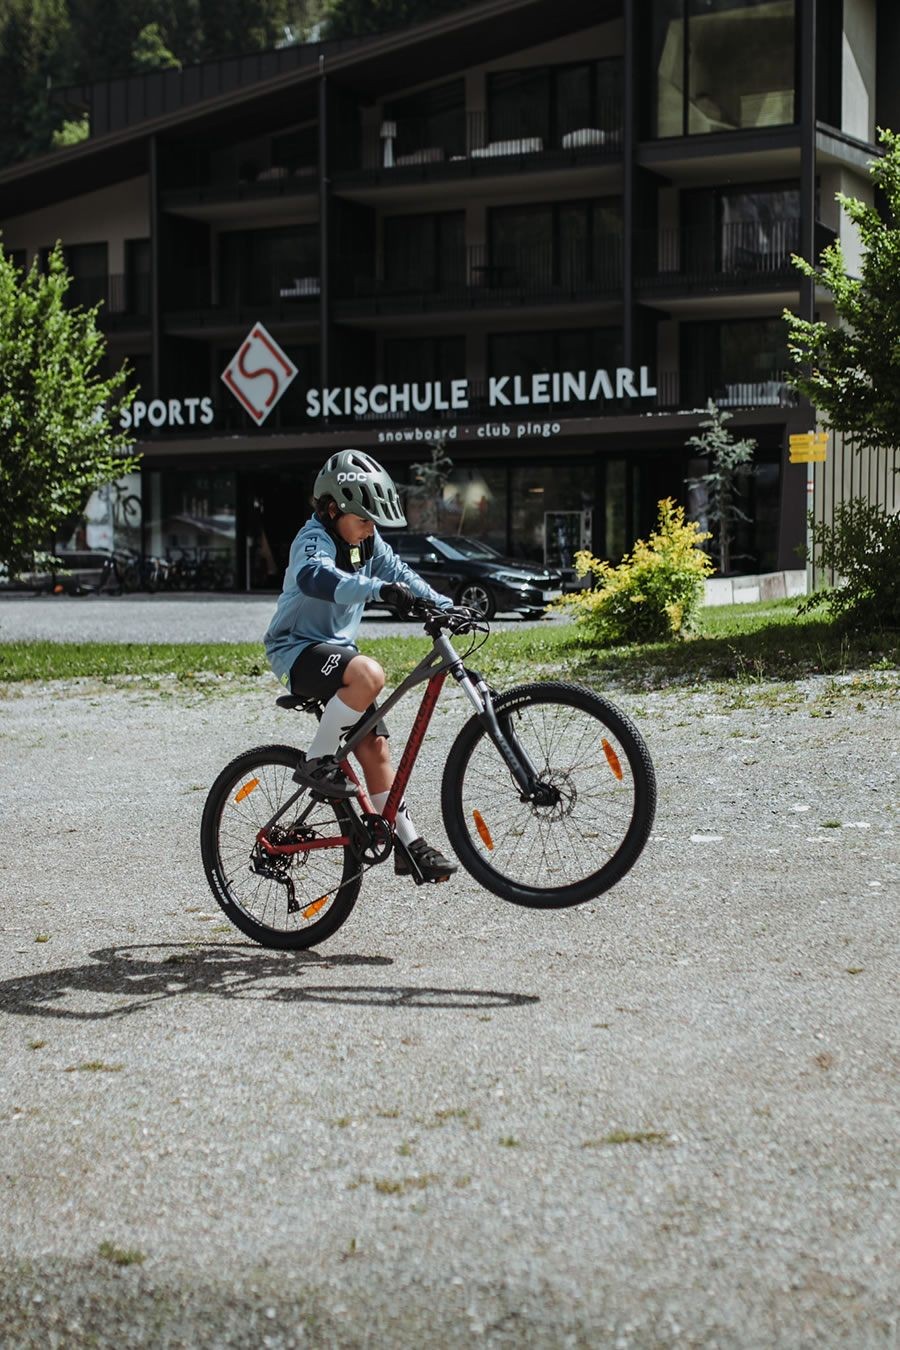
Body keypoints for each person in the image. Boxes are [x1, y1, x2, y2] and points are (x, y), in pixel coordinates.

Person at [264, 449, 459, 883]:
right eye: (363, 519)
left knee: (375, 749)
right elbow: (316, 578)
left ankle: (408, 844)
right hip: (296, 651)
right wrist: (377, 589)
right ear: (332, 509)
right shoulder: (312, 539)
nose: (370, 529)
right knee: (369, 673)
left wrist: (444, 605)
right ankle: (316, 762)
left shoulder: (368, 542)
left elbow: (402, 574)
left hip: (336, 653)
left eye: (374, 522)